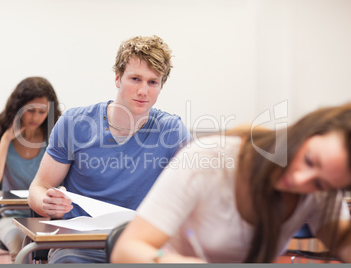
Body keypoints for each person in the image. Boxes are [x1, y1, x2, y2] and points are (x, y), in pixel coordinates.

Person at [111, 103, 351, 263]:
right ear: (304, 130)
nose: (300, 180)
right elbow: (126, 250)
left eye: (319, 184)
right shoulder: (208, 159)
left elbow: (344, 246)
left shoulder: (322, 192)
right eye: (309, 160)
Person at [28, 35, 191, 263]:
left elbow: (194, 197)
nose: (143, 90)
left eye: (153, 82)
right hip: (79, 248)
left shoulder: (172, 132)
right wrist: (46, 202)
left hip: (139, 248)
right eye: (135, 79)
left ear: (161, 85)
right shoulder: (74, 124)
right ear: (117, 78)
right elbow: (38, 187)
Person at [0, 76, 61, 262]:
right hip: (13, 218)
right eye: (30, 110)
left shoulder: (55, 136)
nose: (35, 118)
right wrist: (7, 139)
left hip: (49, 218)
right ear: (18, 108)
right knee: (23, 249)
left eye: (42, 112)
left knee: (66, 253)